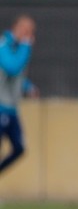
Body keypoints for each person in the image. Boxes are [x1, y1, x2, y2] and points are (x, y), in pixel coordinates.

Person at [0, 15, 36, 175]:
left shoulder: (18, 48)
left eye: (31, 32)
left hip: (12, 110)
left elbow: (17, 77)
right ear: (17, 28)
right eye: (26, 30)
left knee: (19, 148)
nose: (29, 35)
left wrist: (28, 86)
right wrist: (26, 46)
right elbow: (12, 67)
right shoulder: (3, 44)